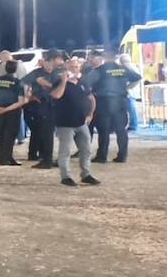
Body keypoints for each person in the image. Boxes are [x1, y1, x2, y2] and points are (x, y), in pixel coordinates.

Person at [83, 51, 141, 163]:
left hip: (104, 103)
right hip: (120, 101)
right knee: (121, 130)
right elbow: (137, 77)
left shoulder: (99, 70)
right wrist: (127, 88)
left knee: (103, 130)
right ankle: (122, 156)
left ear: (104, 57)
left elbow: (86, 83)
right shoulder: (123, 69)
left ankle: (102, 156)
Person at [50, 59, 98, 188]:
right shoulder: (58, 82)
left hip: (81, 123)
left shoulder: (82, 83)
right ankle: (65, 177)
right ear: (66, 68)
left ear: (80, 68)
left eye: (76, 67)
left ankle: (86, 175)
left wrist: (91, 114)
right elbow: (56, 95)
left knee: (86, 150)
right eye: (71, 67)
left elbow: (91, 98)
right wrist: (64, 81)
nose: (74, 69)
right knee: (65, 151)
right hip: (65, 123)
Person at [22, 53, 62, 169]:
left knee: (48, 133)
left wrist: (46, 84)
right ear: (43, 62)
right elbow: (22, 82)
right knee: (40, 131)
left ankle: (46, 158)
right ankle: (41, 156)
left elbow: (59, 88)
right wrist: (29, 96)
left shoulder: (57, 74)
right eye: (47, 63)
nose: (49, 66)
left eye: (51, 64)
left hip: (53, 105)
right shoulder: (36, 73)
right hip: (39, 105)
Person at [0, 60, 26, 166]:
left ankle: (1, 157)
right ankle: (7, 158)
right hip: (12, 111)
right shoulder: (17, 82)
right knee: (10, 135)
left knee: (1, 135)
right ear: (16, 69)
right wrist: (6, 109)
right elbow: (20, 101)